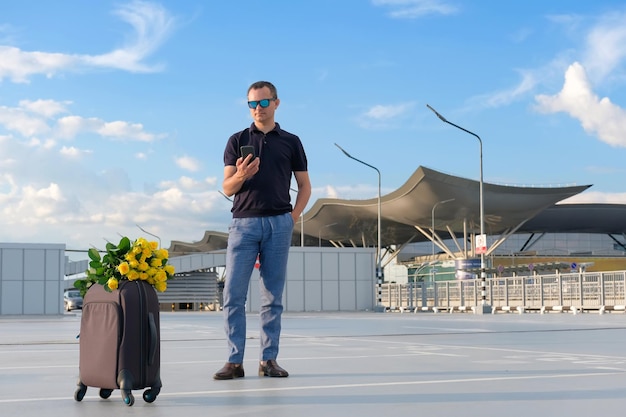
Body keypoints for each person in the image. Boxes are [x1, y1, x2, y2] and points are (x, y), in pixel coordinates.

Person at [214, 81, 311, 380]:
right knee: (233, 295)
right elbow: (227, 188)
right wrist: (242, 174)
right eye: (252, 104)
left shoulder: (291, 141)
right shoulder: (237, 139)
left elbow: (305, 186)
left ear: (276, 103)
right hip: (243, 224)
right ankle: (234, 361)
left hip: (279, 224)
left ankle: (269, 360)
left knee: (272, 297)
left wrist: (292, 218)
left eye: (263, 103)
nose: (258, 109)